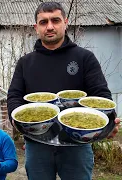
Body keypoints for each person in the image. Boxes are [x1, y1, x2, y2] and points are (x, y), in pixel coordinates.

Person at [7, 2, 120, 180]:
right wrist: (18, 122)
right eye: (43, 22)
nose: (50, 26)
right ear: (36, 27)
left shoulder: (84, 58)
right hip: (37, 144)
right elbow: (14, 97)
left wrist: (107, 122)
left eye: (55, 20)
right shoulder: (25, 62)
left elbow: (101, 95)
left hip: (77, 144)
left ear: (65, 23)